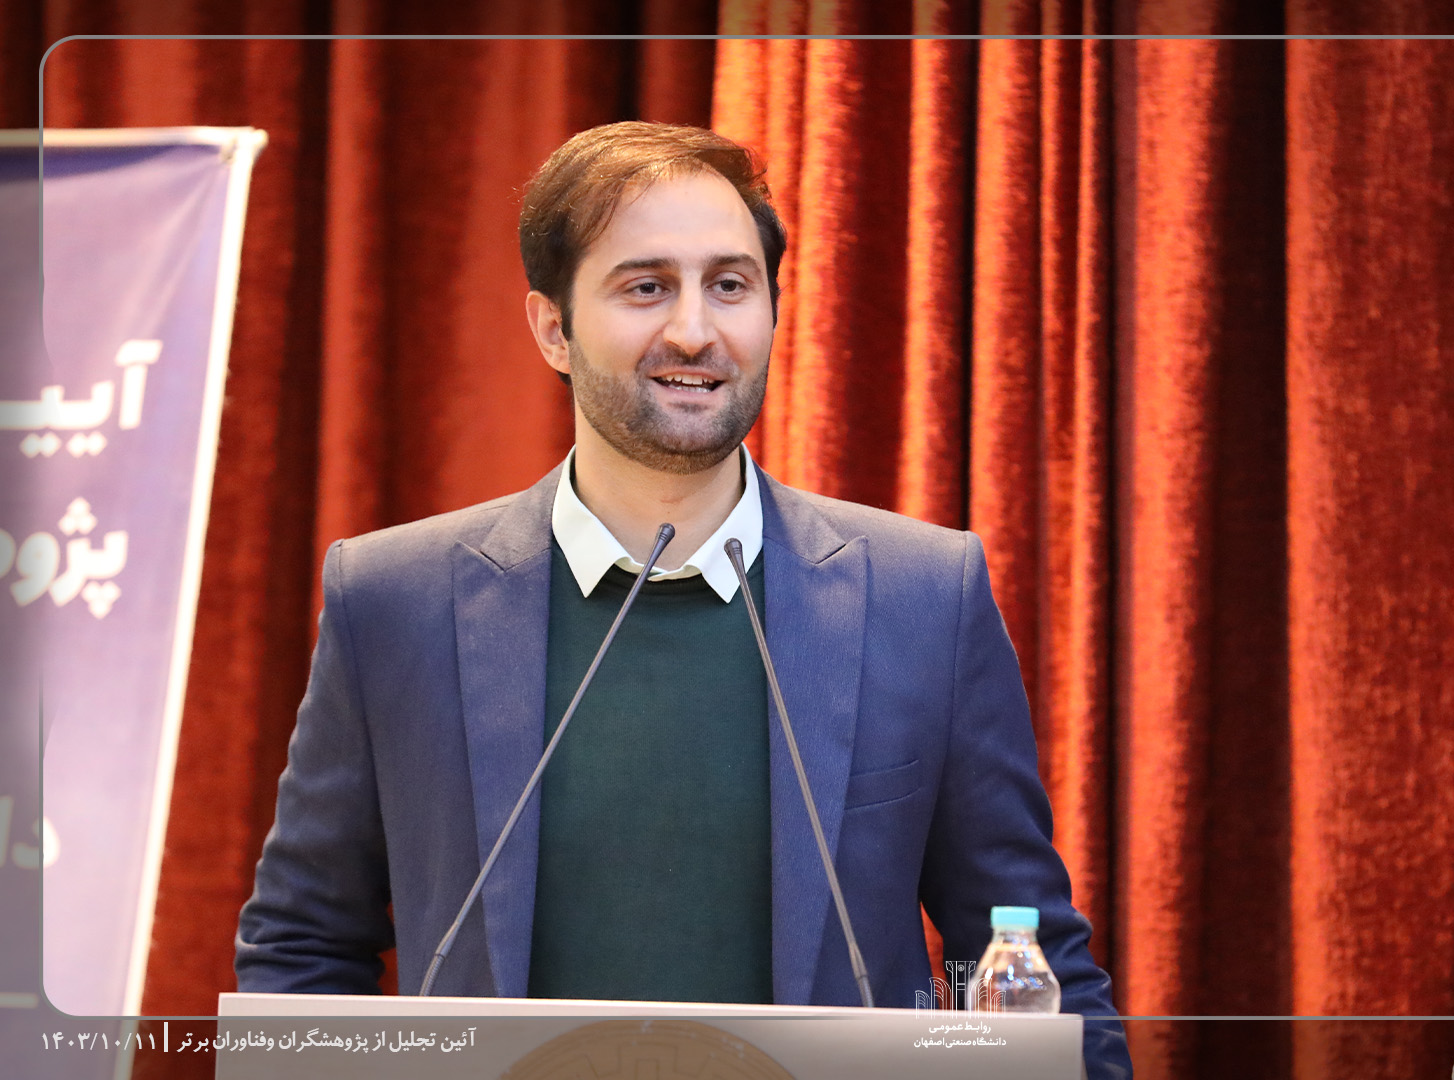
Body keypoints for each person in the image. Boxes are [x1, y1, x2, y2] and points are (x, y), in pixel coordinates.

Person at [235, 121, 1130, 1078]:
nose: (696, 331)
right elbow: (302, 950)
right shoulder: (393, 601)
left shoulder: (922, 597)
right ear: (552, 329)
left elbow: (1024, 963)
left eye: (730, 285)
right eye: (646, 286)